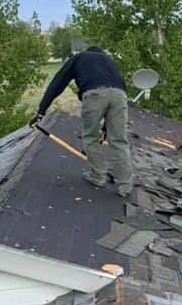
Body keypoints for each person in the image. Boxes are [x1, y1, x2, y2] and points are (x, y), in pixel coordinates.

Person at [30, 45, 133, 196]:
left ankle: (98, 176)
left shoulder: (79, 58)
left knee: (90, 137)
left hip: (94, 95)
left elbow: (57, 84)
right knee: (119, 141)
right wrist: (106, 130)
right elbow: (118, 88)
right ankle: (125, 186)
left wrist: (41, 112)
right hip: (120, 96)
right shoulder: (109, 61)